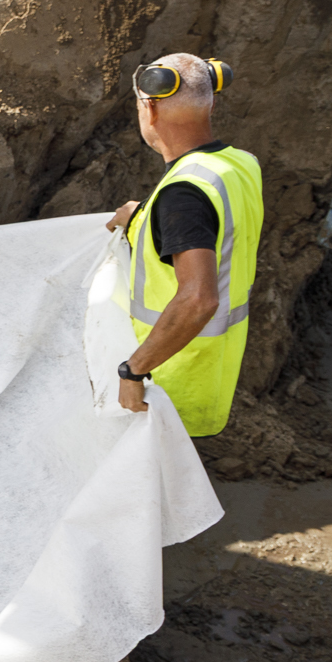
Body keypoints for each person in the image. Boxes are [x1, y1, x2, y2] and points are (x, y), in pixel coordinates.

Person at [104, 52, 264, 436]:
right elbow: (211, 226)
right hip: (207, 375)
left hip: (164, 389)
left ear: (151, 109)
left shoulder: (183, 194)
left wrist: (133, 370)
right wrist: (142, 215)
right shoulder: (239, 164)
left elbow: (198, 299)